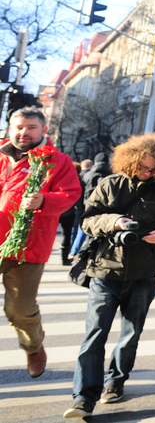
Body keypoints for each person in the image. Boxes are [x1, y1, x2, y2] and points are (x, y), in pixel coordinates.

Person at [64, 134, 155, 418]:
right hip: (105, 270)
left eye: (154, 169)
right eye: (144, 167)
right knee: (95, 335)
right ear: (131, 160)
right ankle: (83, 398)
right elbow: (88, 220)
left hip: (144, 273)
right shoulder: (110, 184)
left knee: (131, 335)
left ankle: (115, 382)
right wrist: (114, 222)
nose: (148, 173)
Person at [0, 107, 80, 379]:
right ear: (10, 128)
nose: (24, 132)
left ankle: (33, 346)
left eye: (31, 127)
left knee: (19, 310)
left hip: (27, 248)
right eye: (19, 127)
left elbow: (70, 195)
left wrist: (45, 200)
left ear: (43, 130)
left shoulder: (58, 161)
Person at [72, 153, 112, 256]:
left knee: (82, 231)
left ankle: (75, 253)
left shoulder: (87, 175)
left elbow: (79, 193)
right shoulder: (112, 176)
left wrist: (80, 209)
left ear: (95, 162)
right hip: (106, 210)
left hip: (87, 207)